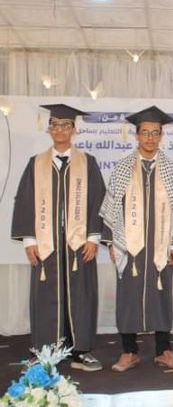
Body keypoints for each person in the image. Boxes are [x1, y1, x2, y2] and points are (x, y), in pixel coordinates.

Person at [11, 104, 105, 371]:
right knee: (45, 296)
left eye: (66, 125)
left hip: (79, 244)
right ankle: (44, 351)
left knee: (81, 296)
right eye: (55, 125)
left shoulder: (88, 163)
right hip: (46, 243)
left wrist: (93, 237)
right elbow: (25, 201)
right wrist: (29, 241)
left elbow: (98, 200)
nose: (60, 130)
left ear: (74, 129)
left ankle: (81, 351)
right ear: (49, 129)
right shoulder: (36, 163)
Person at [100, 106, 173, 371]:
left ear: (161, 136)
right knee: (128, 296)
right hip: (130, 245)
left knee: (162, 294)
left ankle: (164, 350)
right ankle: (129, 351)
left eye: (155, 133)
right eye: (145, 133)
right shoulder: (122, 168)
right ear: (136, 136)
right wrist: (111, 241)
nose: (150, 138)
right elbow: (112, 205)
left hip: (161, 244)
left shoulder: (171, 169)